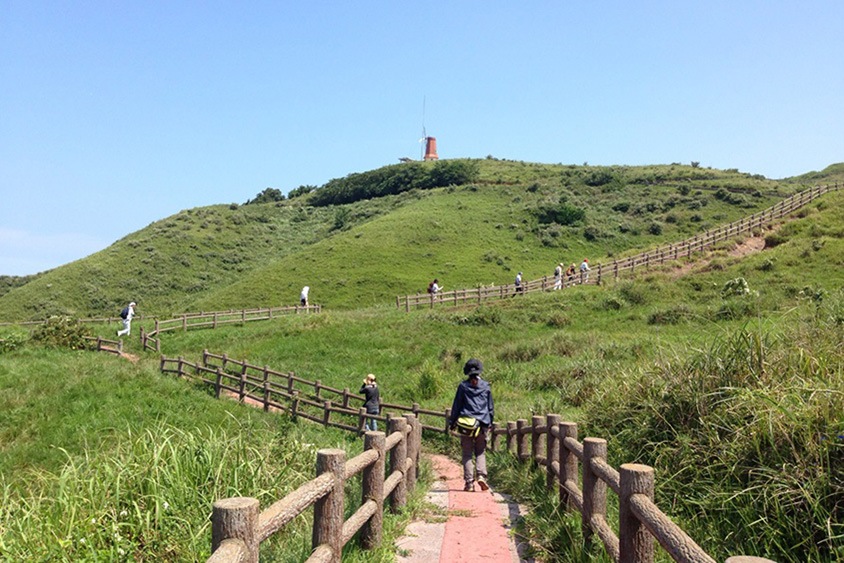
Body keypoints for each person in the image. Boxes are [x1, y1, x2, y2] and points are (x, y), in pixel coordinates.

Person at [449, 358, 494, 492]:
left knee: (467, 453)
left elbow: (456, 406)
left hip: (466, 425)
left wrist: (452, 423)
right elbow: (490, 408)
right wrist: (490, 423)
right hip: (482, 424)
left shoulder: (463, 386)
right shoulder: (486, 386)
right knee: (480, 451)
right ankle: (481, 475)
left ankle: (469, 483)